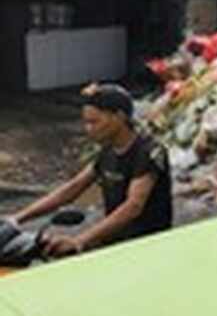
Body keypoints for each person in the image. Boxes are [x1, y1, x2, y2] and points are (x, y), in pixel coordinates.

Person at [5, 84, 172, 256]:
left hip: (147, 247)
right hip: (113, 242)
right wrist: (17, 218)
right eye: (86, 122)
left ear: (119, 117)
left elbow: (133, 206)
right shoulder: (107, 152)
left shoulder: (149, 151)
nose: (88, 129)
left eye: (94, 122)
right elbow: (73, 188)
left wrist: (80, 240)